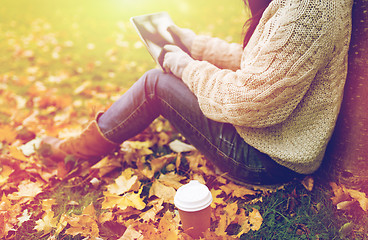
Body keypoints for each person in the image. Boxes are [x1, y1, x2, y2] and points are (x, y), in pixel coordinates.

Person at [41, 0, 353, 186]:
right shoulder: (305, 7)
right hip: (273, 143)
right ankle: (82, 148)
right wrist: (194, 45)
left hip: (267, 159)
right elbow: (265, 67)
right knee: (162, 76)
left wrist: (182, 64)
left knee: (155, 84)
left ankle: (75, 152)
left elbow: (250, 100)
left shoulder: (308, 11)